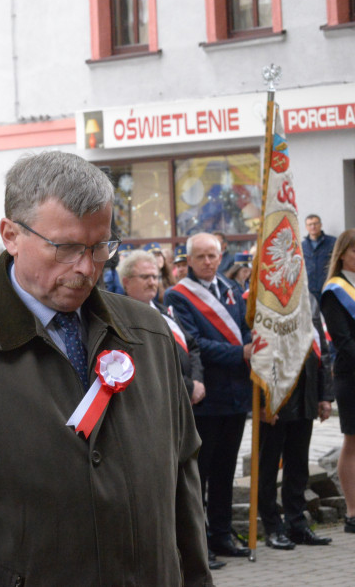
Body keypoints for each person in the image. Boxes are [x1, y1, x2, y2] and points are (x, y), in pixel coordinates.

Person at [0, 151, 209, 585]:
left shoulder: (149, 334)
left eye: (100, 247)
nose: (85, 267)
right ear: (11, 235)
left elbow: (183, 477)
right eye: (66, 247)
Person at [164, 232, 253, 560]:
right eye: (200, 257)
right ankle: (199, 545)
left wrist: (249, 346)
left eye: (212, 256)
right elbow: (194, 341)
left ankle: (221, 535)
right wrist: (240, 353)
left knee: (226, 471)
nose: (207, 262)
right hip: (206, 396)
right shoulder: (178, 296)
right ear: (188, 260)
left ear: (221, 256)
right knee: (199, 476)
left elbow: (245, 329)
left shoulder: (231, 290)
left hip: (236, 396)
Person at [256, 291, 334, 549]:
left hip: (306, 391)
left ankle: (297, 524)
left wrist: (324, 395)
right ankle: (272, 526)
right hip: (277, 394)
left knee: (298, 464)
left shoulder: (308, 297)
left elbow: (320, 346)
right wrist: (265, 399)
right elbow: (261, 349)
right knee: (268, 465)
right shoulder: (263, 294)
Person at [118, 250, 206, 407]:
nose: (152, 282)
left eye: (155, 277)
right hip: (155, 404)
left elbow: (192, 346)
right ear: (126, 282)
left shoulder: (165, 312)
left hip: (185, 401)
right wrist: (189, 387)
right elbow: (146, 367)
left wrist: (197, 380)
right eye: (145, 277)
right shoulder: (121, 318)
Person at [321, 228, 355, 532]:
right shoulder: (335, 290)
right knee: (353, 440)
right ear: (342, 253)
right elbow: (344, 341)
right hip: (351, 373)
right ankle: (352, 511)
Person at [304, 214, 337, 305]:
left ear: (320, 225)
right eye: (310, 224)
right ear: (306, 227)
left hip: (328, 286)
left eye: (315, 223)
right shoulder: (302, 245)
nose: (313, 227)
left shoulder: (332, 242)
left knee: (330, 316)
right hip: (310, 289)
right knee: (313, 317)